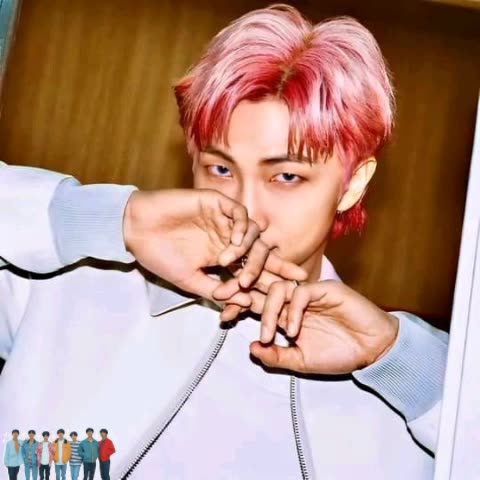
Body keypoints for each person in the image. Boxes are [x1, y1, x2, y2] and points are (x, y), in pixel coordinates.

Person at [0, 4, 447, 479]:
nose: (245, 212)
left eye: (287, 176)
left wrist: (401, 362)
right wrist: (110, 219)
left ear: (353, 184)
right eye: (220, 169)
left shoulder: (400, 397)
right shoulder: (63, 285)